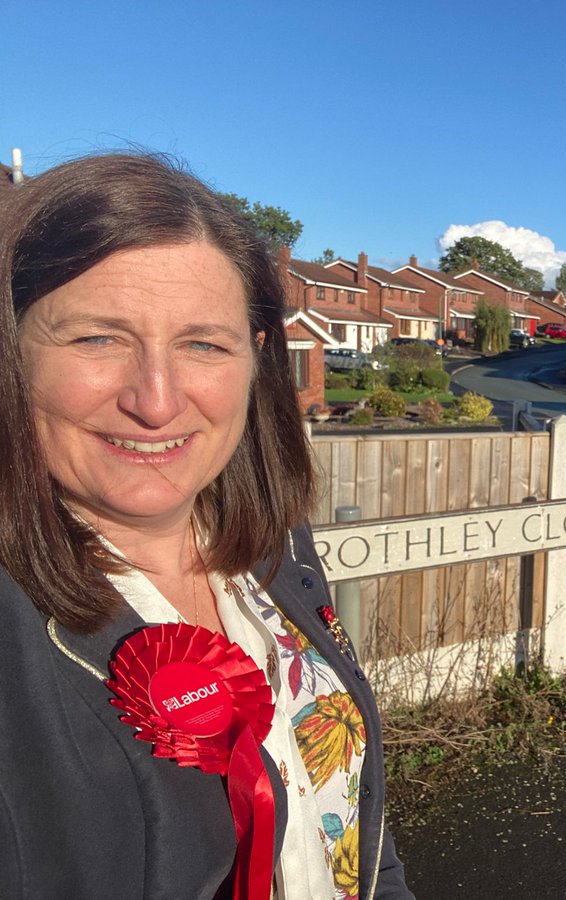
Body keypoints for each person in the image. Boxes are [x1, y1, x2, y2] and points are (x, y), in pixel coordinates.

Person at [0, 154, 414, 898]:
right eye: (98, 337)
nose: (156, 402)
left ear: (256, 363)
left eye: (202, 344)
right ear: (12, 351)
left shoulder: (274, 547)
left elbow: (351, 819)